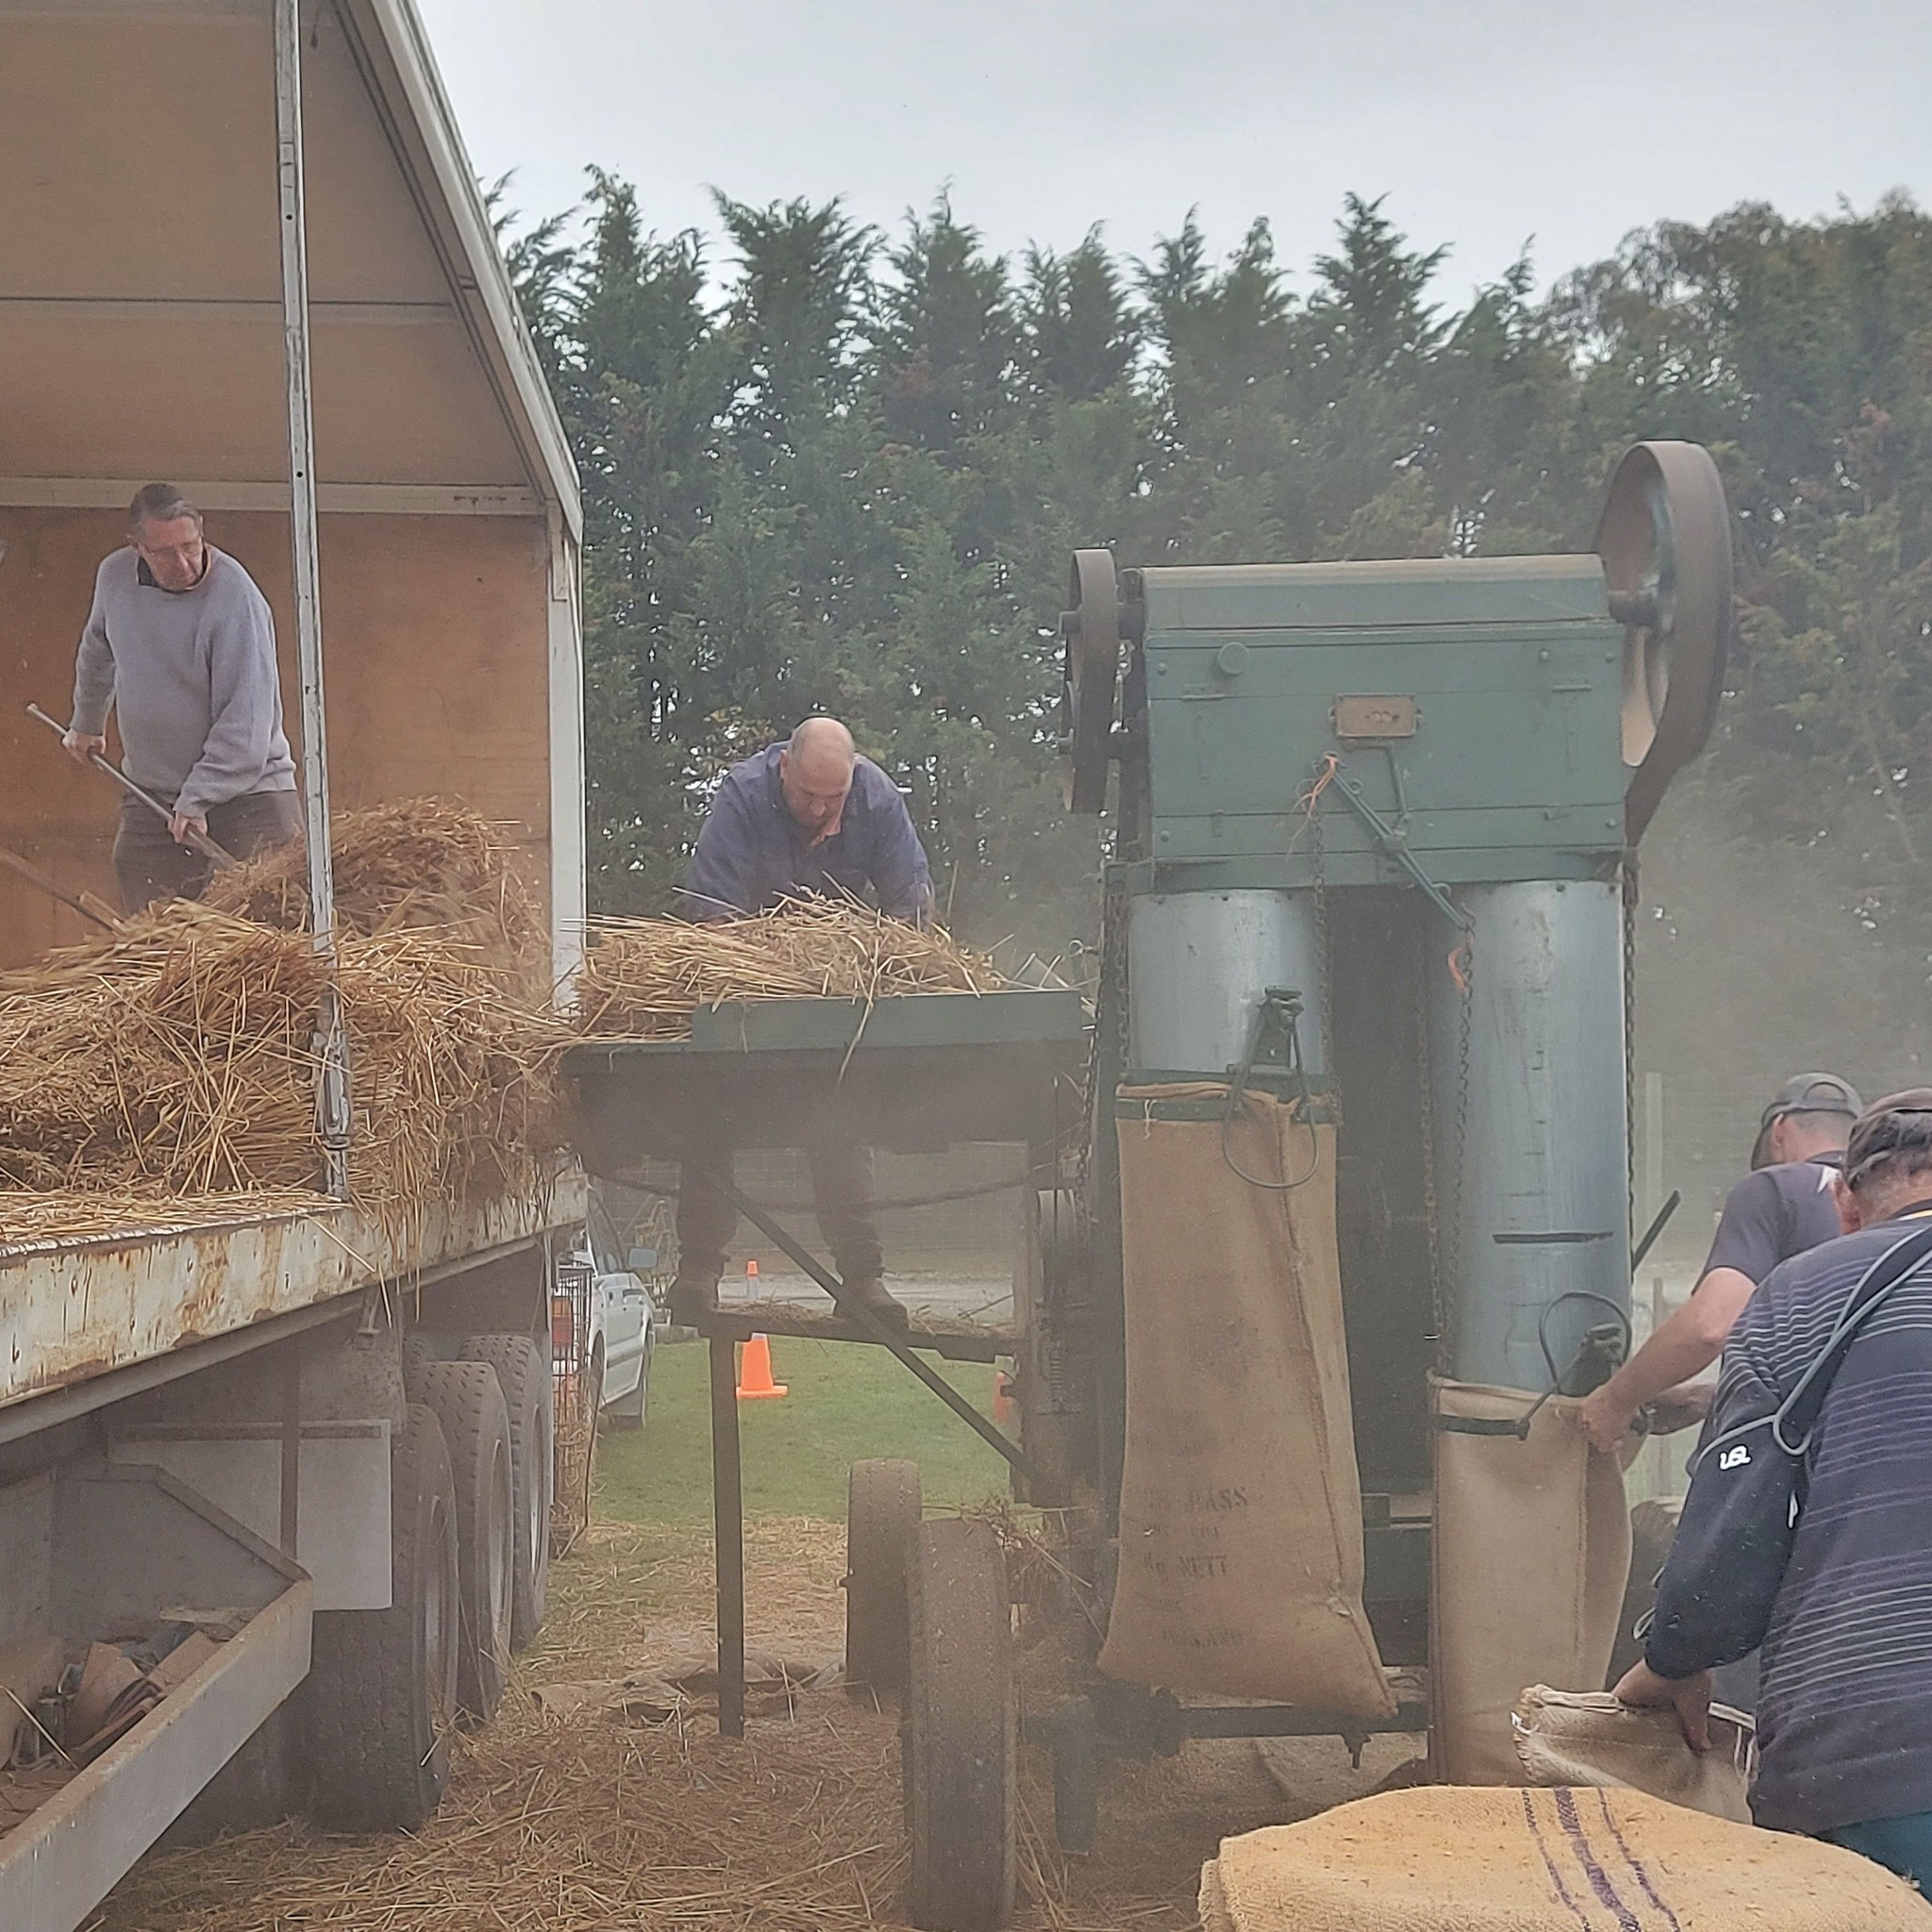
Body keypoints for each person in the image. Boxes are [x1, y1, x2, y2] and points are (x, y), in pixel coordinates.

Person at [1614, 1091, 1932, 1891]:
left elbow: (1739, 1520)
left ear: (1846, 1203)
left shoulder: (1801, 1294)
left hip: (1878, 1755)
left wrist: (1675, 1654)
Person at [668, 717, 935, 1331]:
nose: (818, 808)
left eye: (832, 798)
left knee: (839, 1118)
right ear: (783, 768)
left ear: (852, 780)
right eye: (807, 794)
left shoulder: (879, 799)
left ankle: (862, 1277)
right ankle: (698, 1273)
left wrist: (883, 968)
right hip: (748, 995)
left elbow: (912, 910)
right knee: (706, 1110)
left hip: (836, 1003)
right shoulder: (740, 796)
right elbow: (712, 917)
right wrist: (772, 971)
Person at [1580, 1073, 1862, 1455]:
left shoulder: (1776, 1187)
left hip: (1805, 1463)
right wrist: (1716, 1397)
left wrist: (1616, 1398)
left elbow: (1710, 1326)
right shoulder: (1898, 1199)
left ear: (1779, 1131)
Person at [63, 484, 300, 911]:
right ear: (136, 547)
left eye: (191, 546)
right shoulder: (114, 577)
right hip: (153, 792)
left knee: (265, 922)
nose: (184, 563)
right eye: (165, 553)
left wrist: (198, 797)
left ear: (202, 533)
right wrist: (86, 721)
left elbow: (245, 724)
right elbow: (97, 650)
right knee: (148, 911)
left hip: (248, 795)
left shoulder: (237, 601)